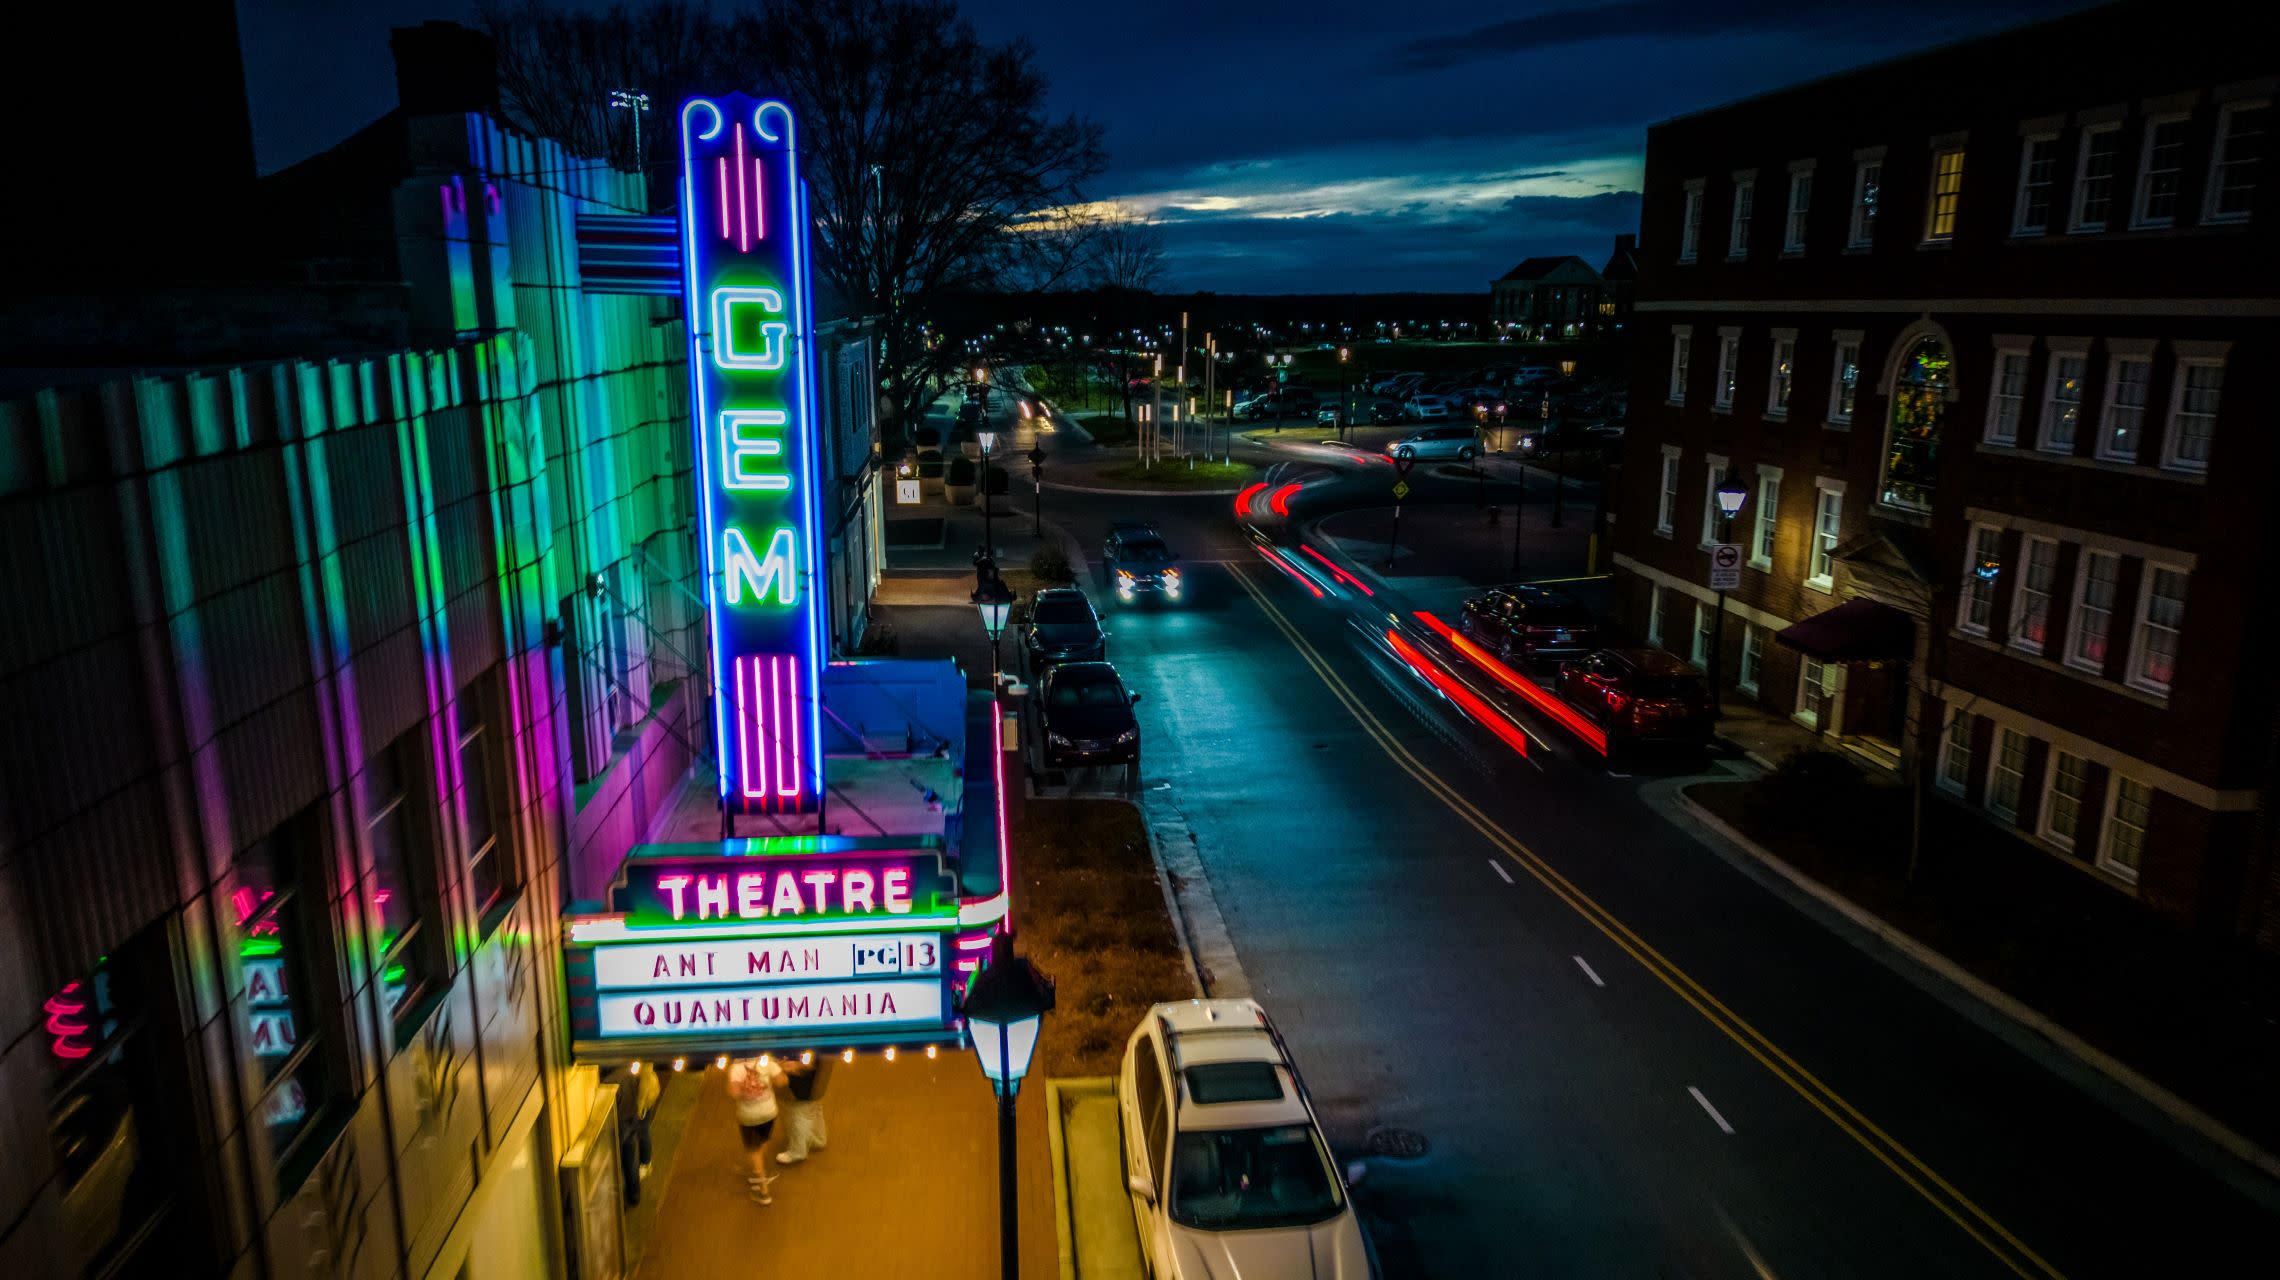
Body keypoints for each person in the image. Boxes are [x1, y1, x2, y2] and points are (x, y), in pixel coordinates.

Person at [726, 1055, 786, 1203]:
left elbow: (733, 1093)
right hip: (769, 1113)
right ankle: (758, 1169)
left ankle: (763, 1188)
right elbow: (782, 1081)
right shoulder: (767, 1061)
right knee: (763, 1141)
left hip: (748, 1117)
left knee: (753, 1150)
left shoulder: (735, 1068)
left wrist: (741, 1087)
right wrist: (779, 1069)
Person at [775, 1054, 834, 1165]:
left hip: (802, 1088)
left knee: (799, 1117)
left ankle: (797, 1152)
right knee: (813, 1111)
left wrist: (794, 1066)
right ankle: (818, 1140)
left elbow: (808, 1062)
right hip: (815, 1085)